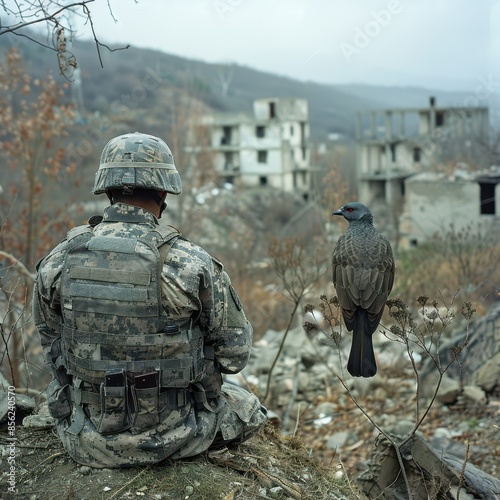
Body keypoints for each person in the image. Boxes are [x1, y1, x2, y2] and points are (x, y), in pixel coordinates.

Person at [33, 132, 267, 468]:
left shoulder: (60, 259)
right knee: (249, 408)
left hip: (86, 438)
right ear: (163, 191)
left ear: (107, 188)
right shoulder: (191, 263)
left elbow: (52, 344)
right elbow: (235, 355)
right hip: (181, 435)